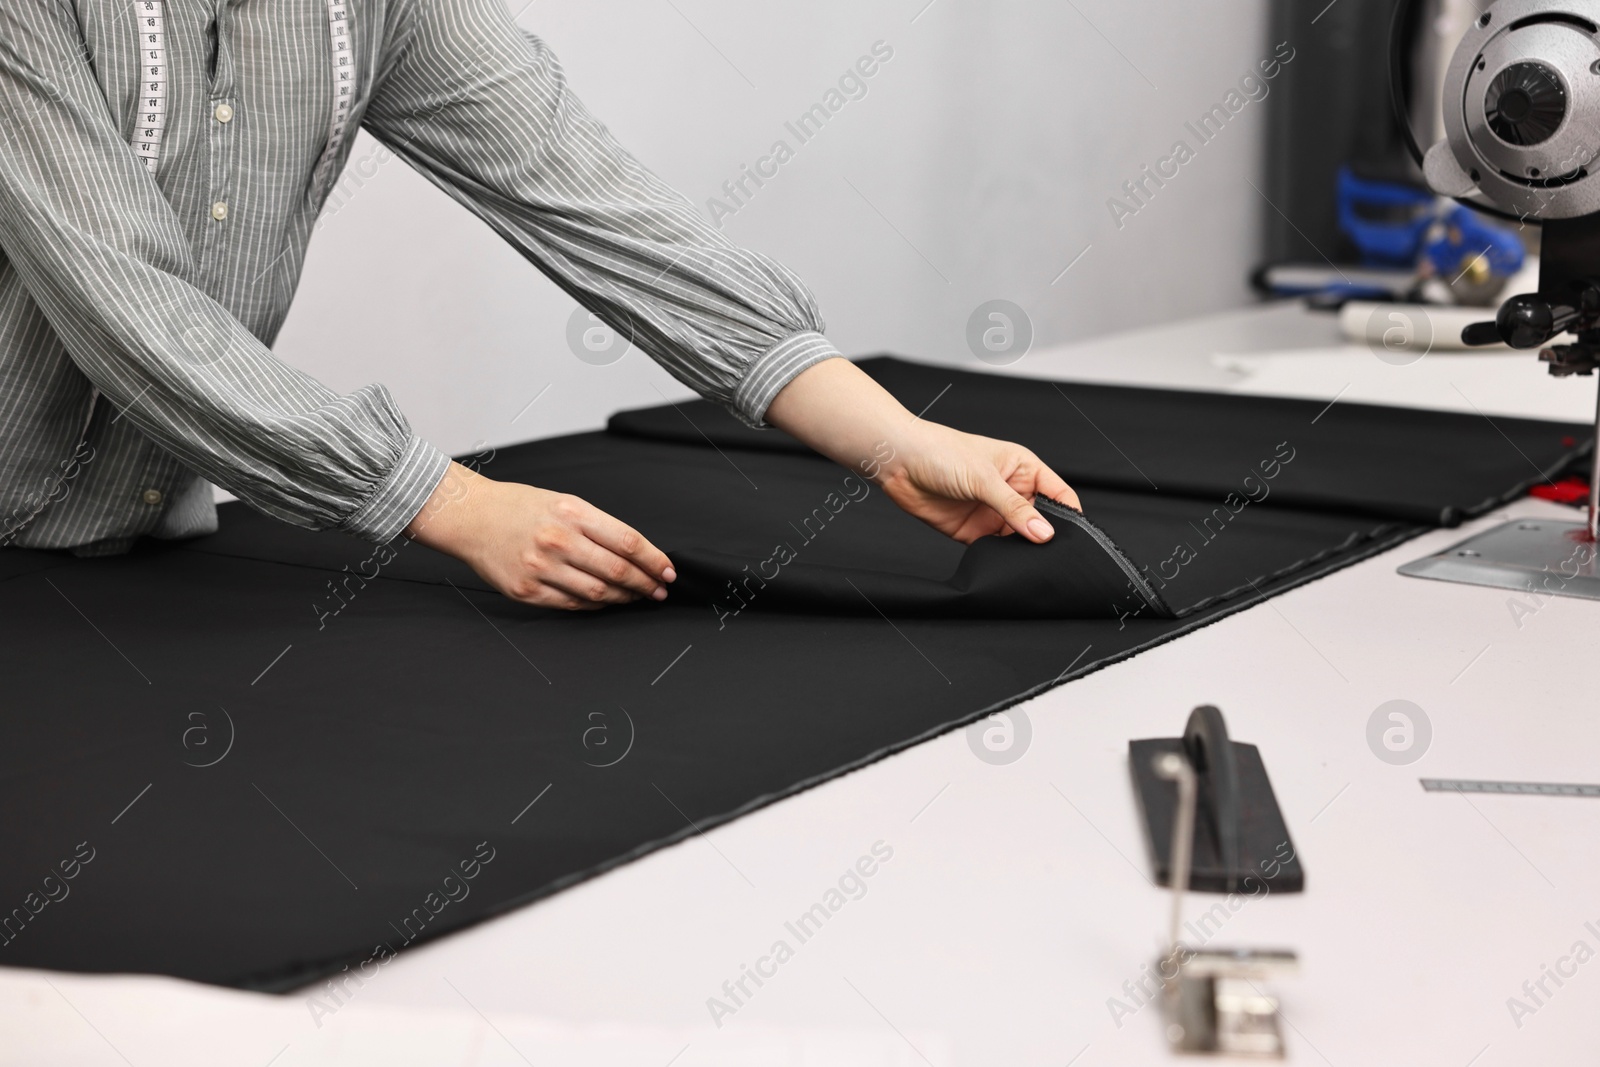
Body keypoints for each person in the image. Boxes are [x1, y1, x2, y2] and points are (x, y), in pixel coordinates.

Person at [0, 0, 1078, 610]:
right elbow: (127, 304)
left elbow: (584, 191)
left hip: (155, 551)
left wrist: (891, 438)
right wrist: (458, 505)